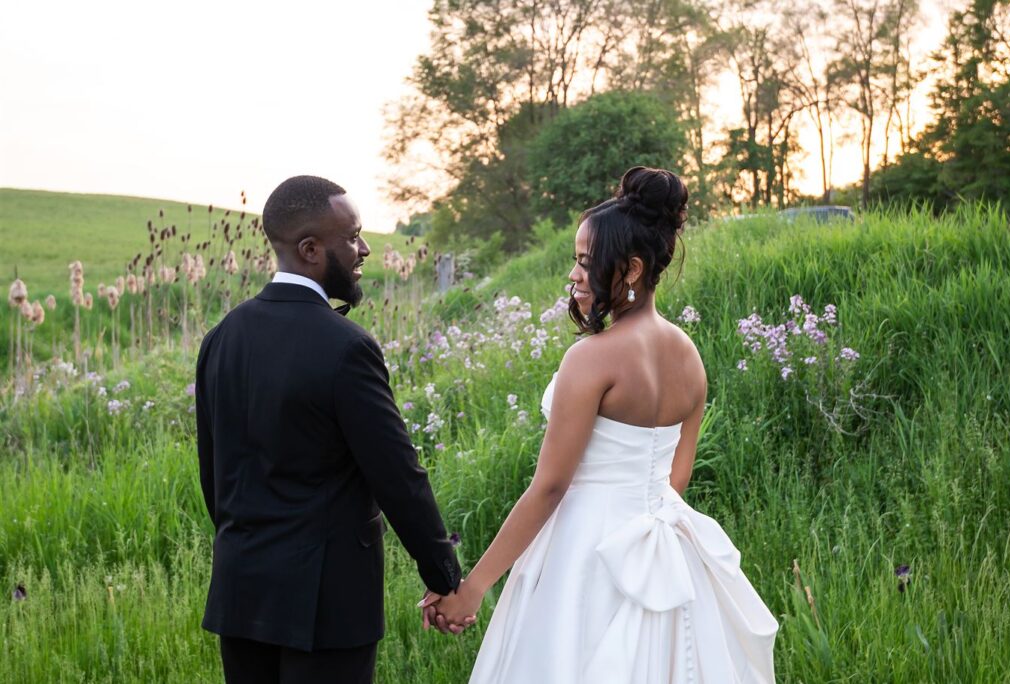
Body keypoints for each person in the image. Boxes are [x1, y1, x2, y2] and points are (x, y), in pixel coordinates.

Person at [423, 167, 778, 682]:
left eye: (586, 263)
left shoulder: (591, 359)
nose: (573, 276)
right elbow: (677, 479)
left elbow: (549, 487)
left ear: (631, 269)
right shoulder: (689, 356)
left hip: (585, 555)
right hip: (665, 554)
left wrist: (472, 588)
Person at [195, 175, 462, 684]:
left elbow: (215, 479)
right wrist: (445, 578)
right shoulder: (346, 347)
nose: (364, 249)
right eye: (353, 236)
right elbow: (398, 477)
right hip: (327, 606)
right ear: (311, 249)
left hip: (241, 594)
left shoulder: (220, 338)